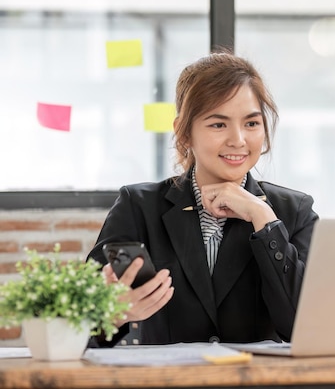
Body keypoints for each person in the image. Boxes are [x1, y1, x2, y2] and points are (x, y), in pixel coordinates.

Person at [88, 52, 319, 346]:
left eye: (251, 124)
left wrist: (262, 217)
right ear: (184, 133)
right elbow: (77, 327)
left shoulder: (293, 211)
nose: (238, 139)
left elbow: (308, 327)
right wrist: (113, 315)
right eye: (218, 124)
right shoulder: (138, 207)